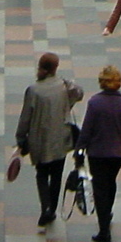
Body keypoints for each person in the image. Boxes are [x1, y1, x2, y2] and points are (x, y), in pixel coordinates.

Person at [15, 52, 84, 228]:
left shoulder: (33, 90)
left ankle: (45, 207)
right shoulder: (63, 86)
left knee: (41, 174)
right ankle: (52, 208)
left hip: (40, 139)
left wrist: (21, 137)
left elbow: (26, 117)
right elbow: (79, 93)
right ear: (56, 68)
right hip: (60, 139)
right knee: (56, 175)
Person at [76, 64, 121, 242]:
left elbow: (87, 129)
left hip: (98, 152)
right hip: (117, 152)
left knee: (99, 187)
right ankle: (107, 211)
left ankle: (103, 229)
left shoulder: (95, 103)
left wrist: (80, 149)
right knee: (110, 182)